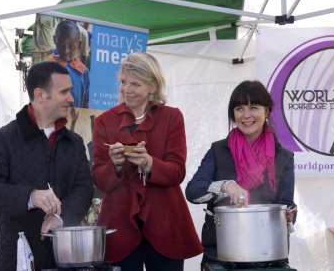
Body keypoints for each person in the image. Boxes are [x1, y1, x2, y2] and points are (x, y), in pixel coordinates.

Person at [0, 62, 94, 271]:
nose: (71, 99)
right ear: (40, 95)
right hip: (16, 260)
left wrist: (59, 217)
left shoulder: (74, 142)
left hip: (62, 260)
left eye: (70, 91)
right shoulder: (4, 139)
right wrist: (30, 196)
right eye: (64, 92)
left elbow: (84, 188)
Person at [92, 52, 203, 271]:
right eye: (124, 82)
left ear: (152, 86)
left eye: (135, 84)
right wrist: (116, 165)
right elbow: (100, 181)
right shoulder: (105, 121)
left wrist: (149, 163)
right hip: (120, 224)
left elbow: (177, 172)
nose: (127, 89)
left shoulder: (172, 117)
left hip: (165, 224)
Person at [185, 80, 297, 270]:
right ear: (233, 114)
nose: (246, 115)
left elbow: (287, 204)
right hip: (220, 256)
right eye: (239, 108)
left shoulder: (283, 157)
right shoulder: (219, 151)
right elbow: (193, 192)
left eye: (253, 107)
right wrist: (226, 186)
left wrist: (288, 217)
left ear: (266, 111)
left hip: (268, 256)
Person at [49, 19, 90, 108]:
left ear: (79, 45)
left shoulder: (83, 71)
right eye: (61, 44)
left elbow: (86, 104)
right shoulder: (48, 68)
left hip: (75, 120)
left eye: (71, 46)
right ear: (55, 40)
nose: (66, 50)